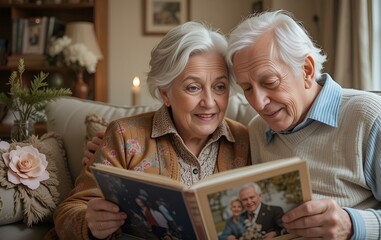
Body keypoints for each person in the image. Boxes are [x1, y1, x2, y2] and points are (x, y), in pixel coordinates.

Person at [226, 10, 381, 239]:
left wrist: (352, 225)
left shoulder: (367, 116)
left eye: (269, 82)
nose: (258, 102)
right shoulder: (258, 128)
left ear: (306, 70)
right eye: (247, 88)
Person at [52, 21, 251, 240]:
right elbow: (69, 211)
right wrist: (89, 222)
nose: (209, 102)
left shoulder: (244, 140)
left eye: (220, 87)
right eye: (193, 87)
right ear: (165, 93)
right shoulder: (124, 136)